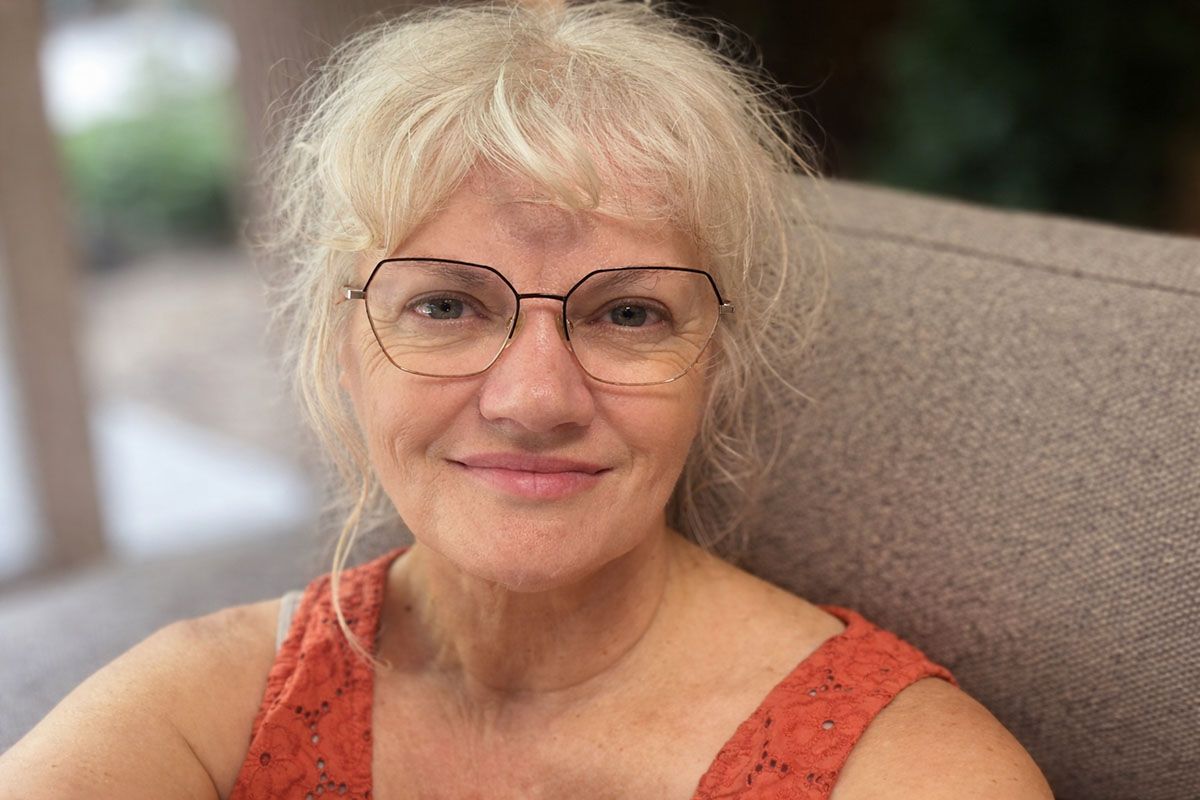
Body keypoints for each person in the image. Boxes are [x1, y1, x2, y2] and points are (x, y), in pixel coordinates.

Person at [3, 2, 1053, 798]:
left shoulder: (907, 767)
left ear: (715, 361)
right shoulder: (203, 703)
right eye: (449, 304)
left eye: (630, 314)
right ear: (342, 344)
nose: (534, 397)